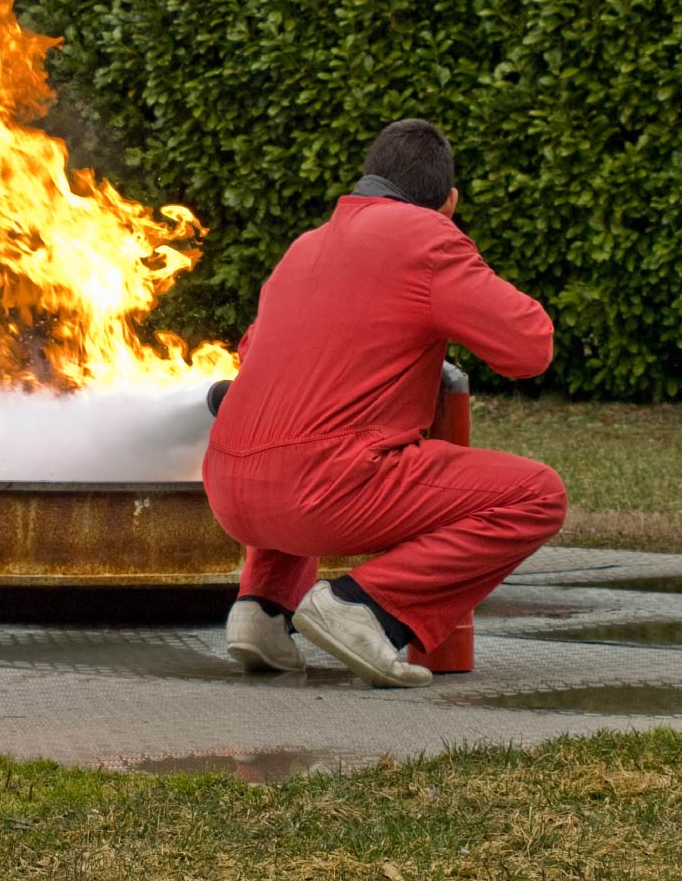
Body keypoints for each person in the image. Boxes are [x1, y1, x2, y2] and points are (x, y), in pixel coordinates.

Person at [203, 119, 564, 687]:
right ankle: (366, 607)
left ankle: (263, 613)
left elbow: (252, 359)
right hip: (322, 491)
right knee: (538, 495)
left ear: (368, 180)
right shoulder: (429, 239)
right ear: (448, 201)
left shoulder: (305, 245)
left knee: (306, 421)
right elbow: (530, 347)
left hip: (229, 488)